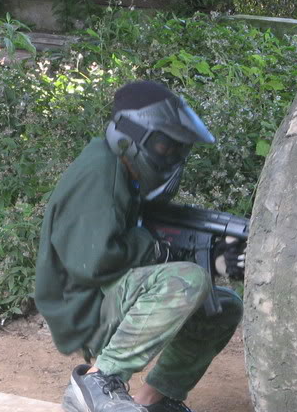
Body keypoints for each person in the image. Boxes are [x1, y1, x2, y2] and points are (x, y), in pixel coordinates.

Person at [35, 80, 246, 412]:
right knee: (187, 280)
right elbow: (93, 260)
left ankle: (155, 399)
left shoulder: (124, 174)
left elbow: (141, 238)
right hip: (83, 308)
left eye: (178, 149)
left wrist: (214, 257)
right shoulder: (100, 171)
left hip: (105, 296)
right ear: (131, 136)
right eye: (165, 147)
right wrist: (161, 250)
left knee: (224, 306)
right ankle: (96, 383)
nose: (172, 156)